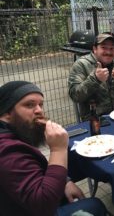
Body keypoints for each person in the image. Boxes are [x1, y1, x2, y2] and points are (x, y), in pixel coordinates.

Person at [0, 81, 107, 216]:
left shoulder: (16, 132)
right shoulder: (7, 151)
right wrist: (58, 149)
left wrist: (65, 181)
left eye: (40, 104)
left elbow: (34, 171)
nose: (39, 110)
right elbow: (44, 205)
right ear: (6, 112)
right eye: (29, 105)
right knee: (95, 204)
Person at [68, 32, 114, 121]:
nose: (108, 52)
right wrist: (95, 79)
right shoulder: (81, 65)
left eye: (112, 48)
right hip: (96, 121)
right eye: (104, 47)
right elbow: (75, 95)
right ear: (95, 49)